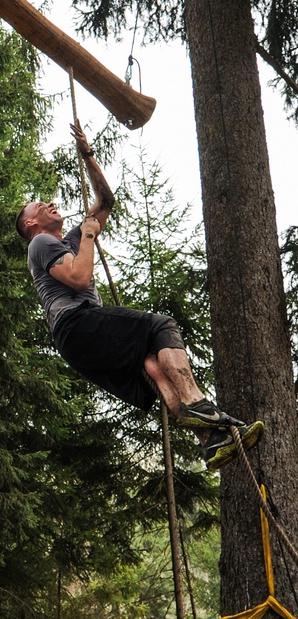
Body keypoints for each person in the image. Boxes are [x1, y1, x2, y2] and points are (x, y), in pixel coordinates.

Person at [16, 122, 263, 469]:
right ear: (30, 223)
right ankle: (201, 406)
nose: (51, 203)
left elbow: (105, 201)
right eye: (41, 206)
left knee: (152, 364)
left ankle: (211, 442)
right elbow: (79, 277)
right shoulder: (41, 243)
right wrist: (88, 235)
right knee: (161, 325)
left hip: (79, 339)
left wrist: (87, 155)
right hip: (76, 325)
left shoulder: (68, 239)